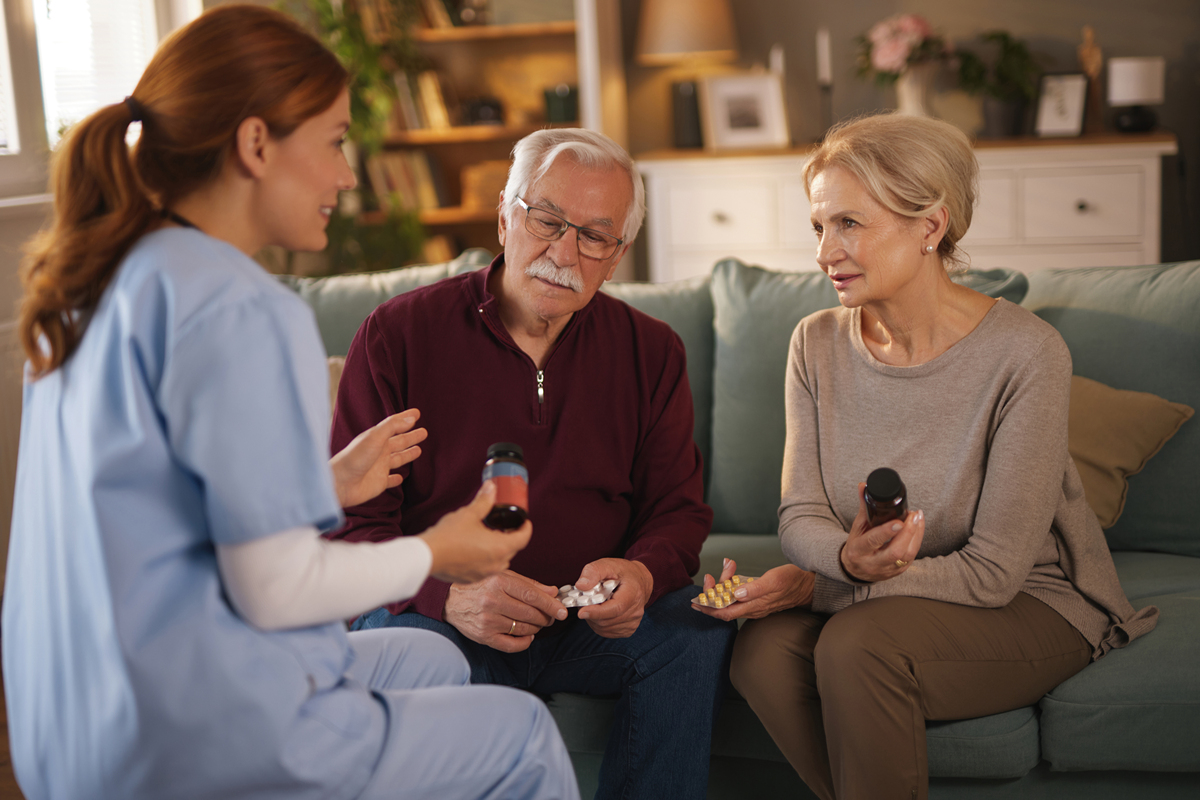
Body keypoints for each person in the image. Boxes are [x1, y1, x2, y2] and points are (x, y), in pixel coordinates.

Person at [2, 6, 580, 800]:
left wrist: (324, 484)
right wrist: (435, 553)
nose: (347, 174)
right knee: (523, 736)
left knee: (431, 657)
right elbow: (273, 589)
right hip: (188, 735)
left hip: (71, 729)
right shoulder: (241, 307)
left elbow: (152, 507)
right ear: (255, 144)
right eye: (335, 141)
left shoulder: (87, 285)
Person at [690, 113, 1158, 800]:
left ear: (930, 226)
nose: (825, 252)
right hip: (885, 603)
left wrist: (820, 586)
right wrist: (843, 558)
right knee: (761, 653)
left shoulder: (1025, 353)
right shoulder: (815, 343)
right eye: (818, 226)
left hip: (1032, 601)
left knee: (856, 645)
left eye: (849, 223)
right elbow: (799, 514)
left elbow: (994, 574)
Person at [330, 127, 737, 799]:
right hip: (441, 618)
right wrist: (447, 596)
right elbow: (352, 531)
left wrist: (642, 573)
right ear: (504, 217)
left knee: (692, 631)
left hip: (583, 621)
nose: (563, 252)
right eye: (546, 220)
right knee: (415, 648)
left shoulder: (652, 351)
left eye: (595, 237)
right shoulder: (397, 335)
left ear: (617, 256)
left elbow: (677, 510)